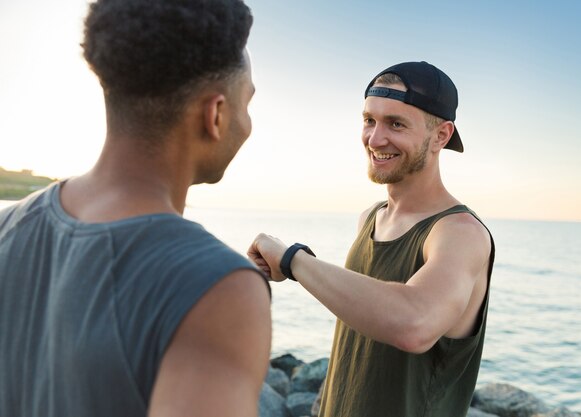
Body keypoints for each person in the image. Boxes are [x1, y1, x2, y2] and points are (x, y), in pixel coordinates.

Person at [0, 1, 271, 416]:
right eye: (247, 104)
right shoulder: (219, 287)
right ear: (214, 115)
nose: (248, 124)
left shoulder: (6, 226)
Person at [248, 61, 495, 417]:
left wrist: (293, 260)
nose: (375, 139)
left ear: (441, 135)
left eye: (396, 124)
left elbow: (414, 325)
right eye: (369, 120)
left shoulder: (460, 233)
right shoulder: (370, 217)